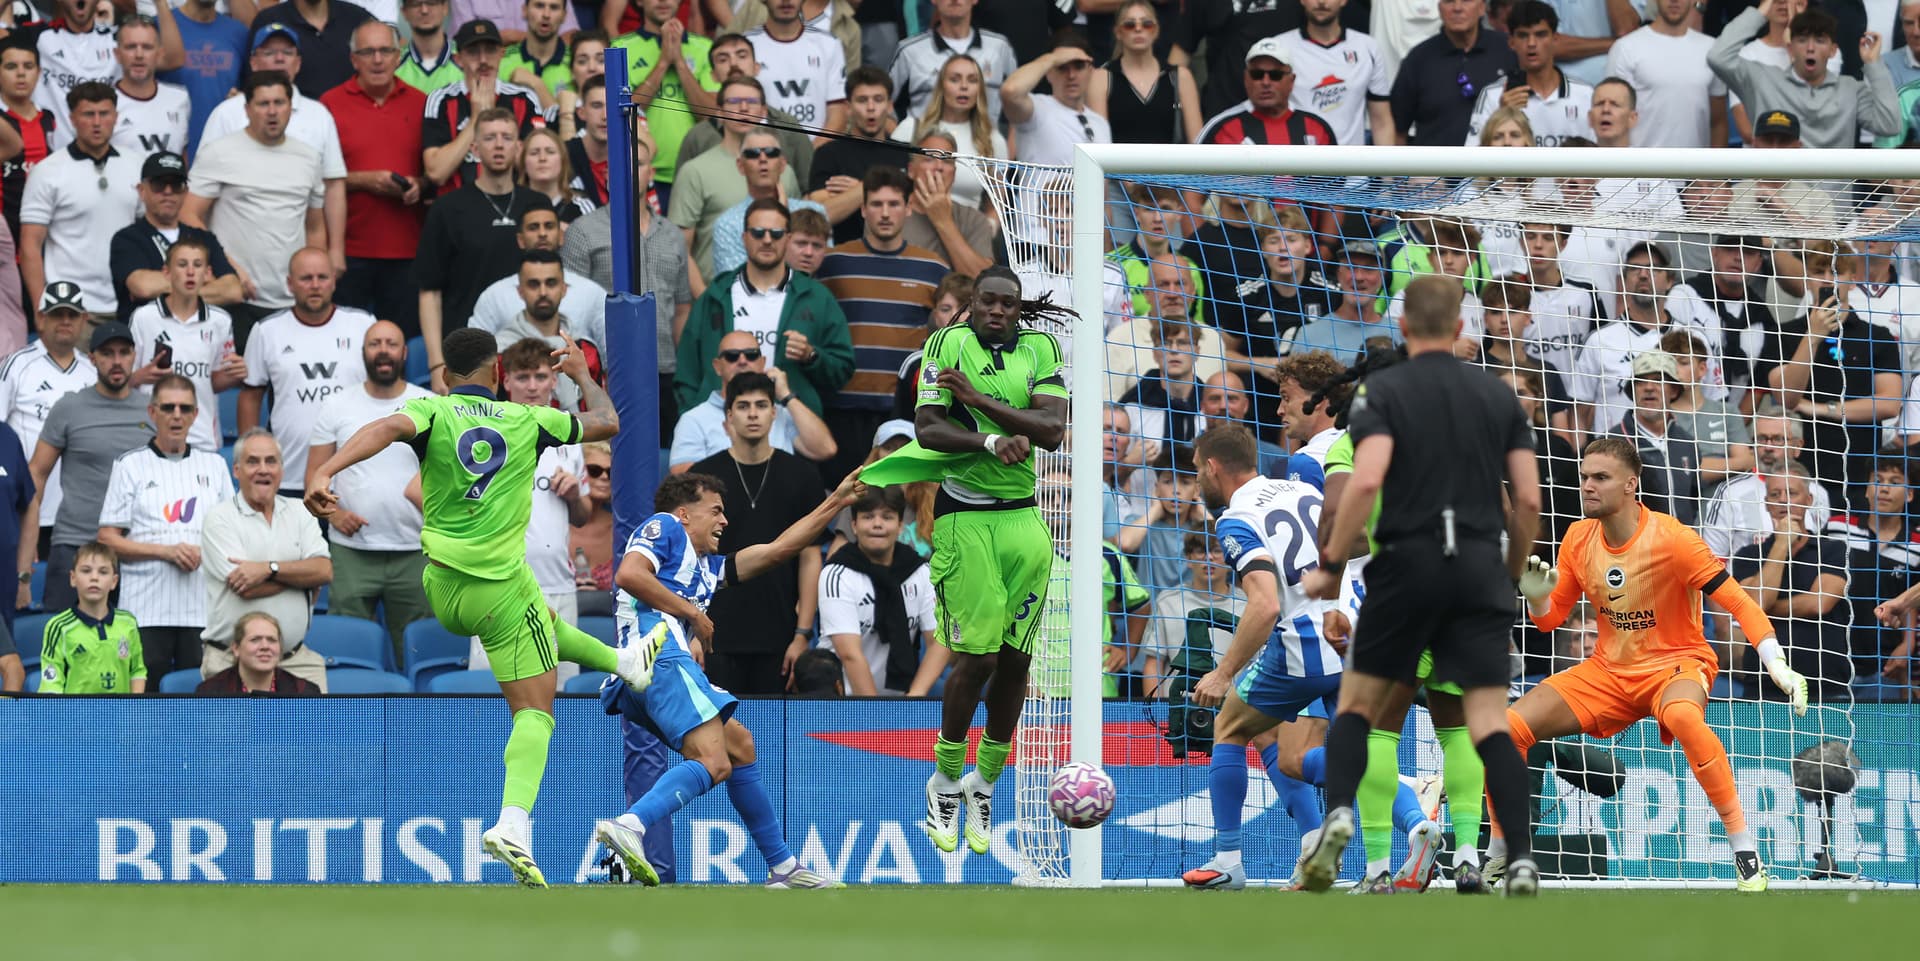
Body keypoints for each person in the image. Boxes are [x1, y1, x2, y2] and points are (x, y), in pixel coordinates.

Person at [305, 327, 644, 888]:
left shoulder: (432, 412)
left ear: (444, 378)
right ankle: (513, 825)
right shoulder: (530, 421)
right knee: (536, 712)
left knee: (544, 618)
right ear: (498, 375)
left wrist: (324, 470)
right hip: (497, 591)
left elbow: (385, 426)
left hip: (442, 587)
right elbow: (608, 423)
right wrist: (582, 376)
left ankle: (624, 663)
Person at [1297, 274, 1543, 896]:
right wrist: (1510, 575)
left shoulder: (1381, 398)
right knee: (1481, 723)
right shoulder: (1495, 398)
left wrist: (1329, 565)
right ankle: (1499, 855)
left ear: (1405, 327)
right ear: (1461, 328)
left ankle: (1367, 848)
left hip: (1403, 574)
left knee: (1365, 715)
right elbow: (1529, 503)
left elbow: (1366, 483)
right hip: (1477, 576)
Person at [1513, 436, 1800, 891]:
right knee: (1510, 728)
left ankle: (1745, 852)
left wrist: (1775, 662)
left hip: (1676, 664)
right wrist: (1536, 597)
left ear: (1630, 485)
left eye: (1600, 478)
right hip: (1609, 671)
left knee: (1685, 716)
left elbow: (1739, 602)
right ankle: (1501, 855)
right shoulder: (1577, 537)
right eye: (1585, 476)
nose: (1587, 485)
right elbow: (1550, 622)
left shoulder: (1674, 539)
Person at [856, 264, 1068, 857]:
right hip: (964, 517)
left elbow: (1052, 431)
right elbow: (928, 427)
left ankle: (985, 782)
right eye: (986, 301)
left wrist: (975, 401)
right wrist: (986, 439)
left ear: (1018, 310)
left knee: (1016, 660)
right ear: (971, 303)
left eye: (1007, 304)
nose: (996, 311)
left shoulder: (1041, 347)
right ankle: (946, 778)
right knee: (974, 656)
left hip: (1024, 519)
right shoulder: (945, 344)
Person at [591, 467, 862, 890]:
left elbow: (776, 550)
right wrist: (693, 614)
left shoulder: (705, 569)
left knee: (739, 747)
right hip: (658, 657)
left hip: (648, 670)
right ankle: (630, 826)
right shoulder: (663, 526)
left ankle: (783, 867)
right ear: (684, 513)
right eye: (716, 511)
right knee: (714, 762)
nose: (724, 521)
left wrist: (837, 502)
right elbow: (630, 575)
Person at [465, 337, 593, 684]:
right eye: (523, 377)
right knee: (491, 694)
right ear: (505, 382)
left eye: (540, 377)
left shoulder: (569, 436)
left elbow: (583, 515)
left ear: (554, 381)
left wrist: (573, 496)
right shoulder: (485, 432)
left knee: (564, 694)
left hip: (558, 584)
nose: (532, 386)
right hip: (497, 582)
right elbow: (429, 493)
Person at [306, 321, 434, 663]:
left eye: (391, 343)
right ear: (363, 353)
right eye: (375, 343)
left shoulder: (430, 404)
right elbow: (314, 478)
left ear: (404, 353)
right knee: (346, 652)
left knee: (415, 652)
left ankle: (417, 718)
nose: (383, 350)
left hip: (416, 550)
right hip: (352, 552)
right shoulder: (336, 406)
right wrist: (336, 514)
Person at [96, 374, 233, 680]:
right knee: (146, 705)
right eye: (168, 407)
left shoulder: (214, 465)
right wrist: (166, 552)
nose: (176, 415)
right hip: (144, 610)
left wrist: (205, 551)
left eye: (185, 409)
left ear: (196, 415)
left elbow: (232, 536)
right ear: (152, 412)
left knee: (199, 706)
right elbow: (106, 539)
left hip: (203, 610)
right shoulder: (130, 464)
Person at [815, 167, 948, 481]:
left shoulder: (933, 268)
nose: (885, 213)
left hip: (902, 408)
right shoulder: (832, 262)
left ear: (909, 208)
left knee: (900, 498)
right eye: (876, 204)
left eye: (894, 204)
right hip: (843, 406)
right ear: (862, 209)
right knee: (843, 494)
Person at [17, 320, 152, 613]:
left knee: (130, 651)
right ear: (92, 359)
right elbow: (36, 474)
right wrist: (25, 552)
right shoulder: (69, 408)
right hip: (75, 545)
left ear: (134, 356)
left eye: (124, 352)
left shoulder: (152, 410)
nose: (116, 361)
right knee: (60, 645)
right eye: (107, 353)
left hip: (135, 550)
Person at [675, 198, 853, 418]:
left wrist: (812, 356)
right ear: (744, 238)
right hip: (720, 428)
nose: (767, 240)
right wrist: (692, 417)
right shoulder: (716, 295)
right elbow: (686, 372)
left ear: (787, 239)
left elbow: (843, 369)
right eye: (758, 233)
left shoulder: (817, 297)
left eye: (776, 233)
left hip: (790, 430)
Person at [196, 28, 351, 278]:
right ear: (253, 61)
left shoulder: (318, 115)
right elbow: (197, 200)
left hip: (293, 269)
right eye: (269, 52)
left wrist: (333, 252)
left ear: (298, 62)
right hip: (236, 271)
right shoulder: (226, 113)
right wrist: (219, 263)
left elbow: (330, 190)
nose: (279, 59)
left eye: (287, 52)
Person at [414, 109, 549, 392]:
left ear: (519, 146)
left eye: (506, 137)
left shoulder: (538, 204)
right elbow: (430, 291)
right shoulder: (447, 209)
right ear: (474, 148)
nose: (498, 145)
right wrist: (437, 362)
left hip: (530, 354)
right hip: (466, 353)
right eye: (489, 138)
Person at [182, 71, 331, 322]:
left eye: (279, 103)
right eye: (263, 104)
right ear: (247, 109)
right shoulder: (219, 152)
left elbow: (315, 226)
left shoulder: (309, 156)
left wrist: (314, 279)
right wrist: (227, 268)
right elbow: (188, 214)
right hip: (237, 295)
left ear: (290, 108)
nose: (272, 111)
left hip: (292, 299)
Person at [198, 430, 332, 690]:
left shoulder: (300, 512)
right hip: (231, 660)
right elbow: (247, 588)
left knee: (315, 731)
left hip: (296, 660)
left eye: (271, 461)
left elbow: (324, 571)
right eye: (252, 462)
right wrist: (303, 579)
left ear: (282, 469)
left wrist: (267, 568)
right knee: (233, 733)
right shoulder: (220, 518)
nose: (263, 469)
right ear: (236, 471)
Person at [239, 248, 377, 497]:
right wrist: (250, 453)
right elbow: (250, 396)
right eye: (306, 278)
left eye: (322, 277)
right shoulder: (267, 331)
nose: (315, 285)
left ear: (334, 281)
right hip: (288, 475)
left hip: (357, 475)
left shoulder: (364, 324)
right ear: (290, 284)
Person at [324, 20, 430, 339]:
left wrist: (419, 185)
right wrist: (364, 180)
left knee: (402, 343)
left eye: (386, 50)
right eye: (367, 52)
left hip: (408, 249)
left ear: (399, 56)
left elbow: (436, 170)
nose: (378, 59)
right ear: (353, 59)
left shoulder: (422, 102)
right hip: (349, 250)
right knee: (346, 341)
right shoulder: (329, 105)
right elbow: (315, 177)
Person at [1729, 464, 1855, 704]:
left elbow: (1819, 604)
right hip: (1764, 678)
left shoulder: (1833, 549)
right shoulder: (1747, 554)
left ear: (1808, 500)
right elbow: (1759, 602)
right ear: (1766, 504)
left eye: (1792, 493)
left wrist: (1763, 610)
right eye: (1775, 495)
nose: (1783, 501)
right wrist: (1781, 545)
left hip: (1826, 679)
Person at [19, 82, 143, 322]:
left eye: (104, 114)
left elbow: (149, 230)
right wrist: (39, 308)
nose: (97, 123)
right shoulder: (48, 171)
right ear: (72, 118)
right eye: (88, 114)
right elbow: (30, 246)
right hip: (70, 308)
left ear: (115, 117)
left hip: (129, 304)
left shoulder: (136, 165)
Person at [1708, 0, 1899, 150]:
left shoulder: (1851, 89)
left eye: (1819, 40)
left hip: (1833, 200)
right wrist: (1762, 10)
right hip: (1774, 197)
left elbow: (1890, 125)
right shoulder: (1763, 79)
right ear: (1790, 48)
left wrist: (1874, 64)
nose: (1810, 48)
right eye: (1801, 40)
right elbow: (1718, 56)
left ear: (1833, 50)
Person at [817, 484, 944, 695]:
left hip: (899, 702)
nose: (878, 524)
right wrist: (877, 714)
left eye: (887, 517)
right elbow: (850, 655)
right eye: (868, 517)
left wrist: (915, 696)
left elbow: (939, 641)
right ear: (854, 525)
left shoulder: (920, 571)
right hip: (841, 701)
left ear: (900, 525)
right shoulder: (836, 574)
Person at [0, 282, 94, 561]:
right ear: (41, 318)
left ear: (83, 320)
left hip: (77, 517)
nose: (65, 321)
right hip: (25, 509)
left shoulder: (92, 371)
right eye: (56, 314)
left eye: (72, 315)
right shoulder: (17, 364)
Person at [127, 239, 244, 452]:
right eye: (182, 265)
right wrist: (141, 376)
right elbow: (125, 381)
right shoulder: (144, 318)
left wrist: (236, 373)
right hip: (150, 438)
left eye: (197, 265)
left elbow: (214, 382)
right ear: (167, 272)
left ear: (207, 274)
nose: (190, 272)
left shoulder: (220, 321)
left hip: (202, 440)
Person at [108, 151, 244, 326]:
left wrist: (165, 287)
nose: (168, 191)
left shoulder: (203, 238)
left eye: (176, 185)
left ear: (186, 191)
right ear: (142, 191)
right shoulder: (127, 239)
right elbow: (143, 286)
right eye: (159, 185)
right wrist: (203, 282)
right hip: (145, 341)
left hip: (199, 338)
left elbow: (232, 290)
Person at [669, 329, 836, 471]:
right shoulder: (694, 419)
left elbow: (825, 449)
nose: (742, 361)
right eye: (732, 356)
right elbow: (685, 479)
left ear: (762, 362)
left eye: (751, 355)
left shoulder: (780, 412)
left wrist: (787, 396)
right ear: (717, 366)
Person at [421, 19, 553, 194]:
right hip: (457, 211)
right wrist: (477, 118)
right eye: (473, 52)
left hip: (514, 208)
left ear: (501, 54)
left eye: (490, 51)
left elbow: (538, 165)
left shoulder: (524, 98)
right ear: (458, 59)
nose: (483, 60)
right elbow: (436, 173)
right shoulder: (440, 99)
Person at [609, 0, 716, 200]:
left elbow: (710, 115)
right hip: (642, 172)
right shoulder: (620, 47)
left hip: (697, 170)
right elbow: (623, 112)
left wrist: (680, 63)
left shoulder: (705, 47)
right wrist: (664, 61)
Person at [1389, 0, 1519, 146]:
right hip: (1433, 166)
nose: (1457, 8)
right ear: (1439, 9)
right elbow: (1397, 129)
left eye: (1466, 1)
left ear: (1482, 7)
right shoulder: (1419, 59)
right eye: (1449, 1)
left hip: (1496, 165)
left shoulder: (1509, 49)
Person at [1463, 1, 1593, 147]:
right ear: (1511, 42)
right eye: (1523, 35)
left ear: (1555, 39)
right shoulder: (1493, 95)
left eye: (1540, 34)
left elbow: (1603, 151)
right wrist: (1502, 116)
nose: (1531, 43)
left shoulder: (1585, 94)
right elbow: (1472, 159)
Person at [472, 207, 608, 345]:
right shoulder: (494, 295)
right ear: (520, 239)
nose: (542, 233)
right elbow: (475, 353)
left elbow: (610, 353)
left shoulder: (592, 292)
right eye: (533, 227)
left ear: (561, 236)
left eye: (549, 226)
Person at [891, 55, 1007, 214]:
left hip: (967, 230)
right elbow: (888, 183)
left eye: (972, 80)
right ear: (941, 86)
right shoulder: (910, 128)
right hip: (914, 226)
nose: (964, 86)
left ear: (980, 89)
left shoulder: (992, 139)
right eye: (955, 79)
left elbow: (999, 200)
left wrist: (990, 227)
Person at [1603, 0, 1727, 148]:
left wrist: (1714, 169)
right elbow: (1613, 123)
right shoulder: (1625, 48)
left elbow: (1718, 122)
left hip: (1695, 169)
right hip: (1640, 168)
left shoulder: (1711, 49)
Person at [1271, 0, 1393, 149]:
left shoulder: (1368, 47)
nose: (1321, 2)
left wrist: (1388, 172)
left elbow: (1381, 120)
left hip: (1354, 166)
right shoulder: (1279, 48)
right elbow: (1268, 114)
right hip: (1298, 166)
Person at [706, 131, 828, 277]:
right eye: (752, 154)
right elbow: (737, 283)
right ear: (740, 166)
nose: (763, 159)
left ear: (783, 164)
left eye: (771, 153)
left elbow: (826, 271)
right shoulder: (727, 224)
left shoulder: (815, 211)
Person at [807, 65, 900, 245]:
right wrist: (876, 187)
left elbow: (914, 210)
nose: (871, 107)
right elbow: (821, 215)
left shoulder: (905, 154)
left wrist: (859, 191)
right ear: (848, 107)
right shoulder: (828, 154)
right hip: (844, 253)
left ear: (889, 107)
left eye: (878, 99)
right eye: (862, 100)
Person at [37, 540, 144, 693]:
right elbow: (51, 682)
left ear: (114, 581)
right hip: (75, 715)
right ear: (73, 578)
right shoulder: (58, 627)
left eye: (103, 572)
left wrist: (135, 708)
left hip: (121, 715)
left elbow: (137, 671)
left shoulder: (128, 622)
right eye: (86, 571)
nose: (94, 578)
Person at [889, 0, 1016, 127]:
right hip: (924, 144)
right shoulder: (909, 51)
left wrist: (1009, 144)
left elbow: (1020, 103)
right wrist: (901, 140)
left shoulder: (999, 48)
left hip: (987, 145)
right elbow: (882, 103)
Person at [1197, 37, 1339, 147]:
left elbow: (1337, 182)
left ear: (1291, 80)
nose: (1265, 82)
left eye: (1275, 75)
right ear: (1246, 79)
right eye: (1257, 74)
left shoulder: (1316, 126)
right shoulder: (1221, 127)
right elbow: (1193, 181)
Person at [1002, 29, 1109, 167]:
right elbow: (1010, 91)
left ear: (1090, 70)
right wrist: (1053, 58)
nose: (1071, 75)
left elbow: (1103, 185)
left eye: (1079, 66)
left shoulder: (1100, 123)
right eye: (1062, 67)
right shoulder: (1037, 109)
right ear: (1048, 73)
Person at [743, 0, 848, 138]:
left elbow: (838, 112)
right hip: (764, 153)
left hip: (818, 152)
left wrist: (811, 153)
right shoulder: (745, 46)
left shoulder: (829, 44)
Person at [162, 0, 248, 154]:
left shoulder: (239, 32)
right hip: (174, 151)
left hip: (224, 151)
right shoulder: (162, 26)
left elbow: (250, 91)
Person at [247, 0, 375, 99]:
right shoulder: (268, 20)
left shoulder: (356, 18)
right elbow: (251, 79)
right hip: (290, 120)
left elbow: (384, 58)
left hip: (351, 116)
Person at [109, 14, 190, 160]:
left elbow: (182, 156)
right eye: (131, 47)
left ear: (159, 53)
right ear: (117, 54)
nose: (139, 55)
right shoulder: (104, 104)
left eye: (147, 47)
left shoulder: (179, 98)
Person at [196, 611, 322, 695]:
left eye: (272, 640)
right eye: (255, 640)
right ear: (236, 648)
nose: (265, 646)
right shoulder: (211, 692)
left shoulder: (304, 692)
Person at [495, 0, 576, 103]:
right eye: (539, 6)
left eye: (554, 7)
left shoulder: (577, 63)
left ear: (564, 16)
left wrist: (537, 84)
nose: (546, 15)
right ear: (525, 11)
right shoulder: (501, 61)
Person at [398, 0, 463, 94]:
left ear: (445, 8)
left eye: (431, 3)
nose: (424, 10)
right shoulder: (393, 64)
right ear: (404, 12)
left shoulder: (466, 60)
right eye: (416, 4)